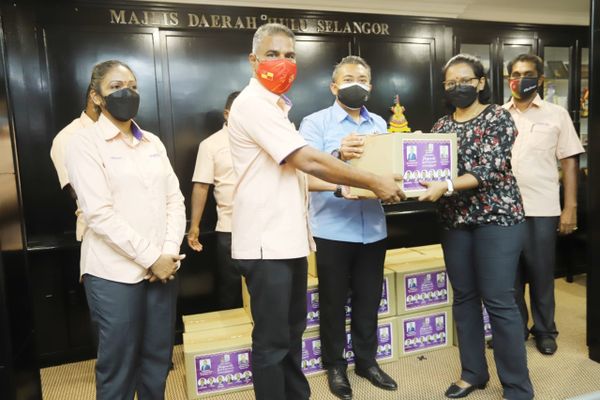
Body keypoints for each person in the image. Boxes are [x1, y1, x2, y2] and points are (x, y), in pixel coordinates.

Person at [227, 23, 404, 400]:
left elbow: (298, 171)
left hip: (289, 239)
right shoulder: (253, 104)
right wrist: (372, 181)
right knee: (273, 343)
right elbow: (306, 160)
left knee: (290, 335)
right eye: (272, 54)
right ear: (253, 60)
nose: (282, 62)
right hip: (266, 243)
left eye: (290, 55)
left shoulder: (278, 108)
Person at [65, 60, 186, 400]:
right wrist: (151, 258)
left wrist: (167, 253)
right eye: (116, 87)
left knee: (157, 362)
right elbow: (99, 214)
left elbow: (175, 200)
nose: (127, 93)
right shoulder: (84, 143)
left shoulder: (153, 142)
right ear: (97, 96)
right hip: (112, 274)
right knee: (118, 367)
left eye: (132, 86)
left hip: (162, 271)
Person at [418, 54, 534, 400]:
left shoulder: (498, 117)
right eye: (451, 82)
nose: (458, 87)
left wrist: (447, 185)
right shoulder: (441, 126)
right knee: (465, 297)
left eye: (465, 80)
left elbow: (490, 168)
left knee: (499, 300)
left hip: (497, 219)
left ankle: (517, 386)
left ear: (481, 83)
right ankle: (473, 373)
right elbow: (430, 170)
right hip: (455, 221)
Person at [299, 55, 398, 400]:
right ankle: (336, 366)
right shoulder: (314, 123)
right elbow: (303, 177)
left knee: (369, 300)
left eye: (362, 79)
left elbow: (385, 172)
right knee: (333, 303)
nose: (355, 84)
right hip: (332, 230)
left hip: (373, 229)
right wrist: (338, 156)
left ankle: (367, 362)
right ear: (333, 87)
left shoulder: (380, 124)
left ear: (370, 86)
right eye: (347, 79)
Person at [504, 54, 584, 356]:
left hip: (542, 209)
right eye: (515, 74)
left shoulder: (556, 114)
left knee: (541, 275)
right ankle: (516, 330)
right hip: (503, 211)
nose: (520, 79)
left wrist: (570, 207)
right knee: (508, 278)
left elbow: (569, 163)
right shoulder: (498, 115)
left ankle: (545, 331)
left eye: (527, 74)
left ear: (539, 80)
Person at [188, 91, 242, 310]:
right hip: (230, 229)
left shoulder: (262, 139)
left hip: (264, 227)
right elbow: (201, 186)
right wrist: (194, 226)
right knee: (232, 289)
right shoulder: (211, 145)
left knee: (263, 288)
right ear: (227, 114)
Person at [50, 84, 100, 240]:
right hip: (96, 231)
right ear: (94, 97)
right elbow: (74, 190)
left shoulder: (125, 132)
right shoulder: (67, 137)